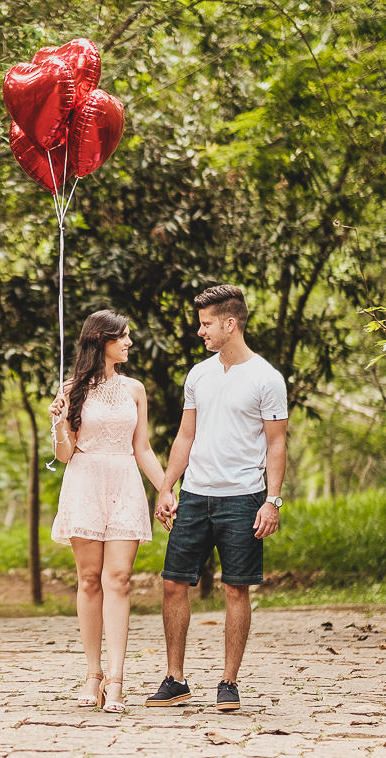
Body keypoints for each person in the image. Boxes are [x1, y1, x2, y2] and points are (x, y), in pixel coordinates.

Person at [148, 285, 287, 712]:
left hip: (243, 499)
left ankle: (228, 682)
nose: (200, 330)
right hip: (194, 496)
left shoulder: (267, 377)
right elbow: (185, 435)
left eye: (206, 323)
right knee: (173, 583)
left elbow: (277, 444)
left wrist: (273, 501)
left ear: (230, 324)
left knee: (235, 588)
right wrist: (166, 487)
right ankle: (176, 679)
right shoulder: (199, 374)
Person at [48, 309, 166, 713]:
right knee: (88, 579)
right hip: (84, 482)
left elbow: (143, 447)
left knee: (118, 579)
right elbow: (64, 455)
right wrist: (61, 421)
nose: (130, 343)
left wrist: (167, 490)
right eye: (124, 337)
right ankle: (92, 674)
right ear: (101, 339)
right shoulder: (71, 388)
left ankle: (116, 679)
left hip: (125, 482)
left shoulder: (135, 388)